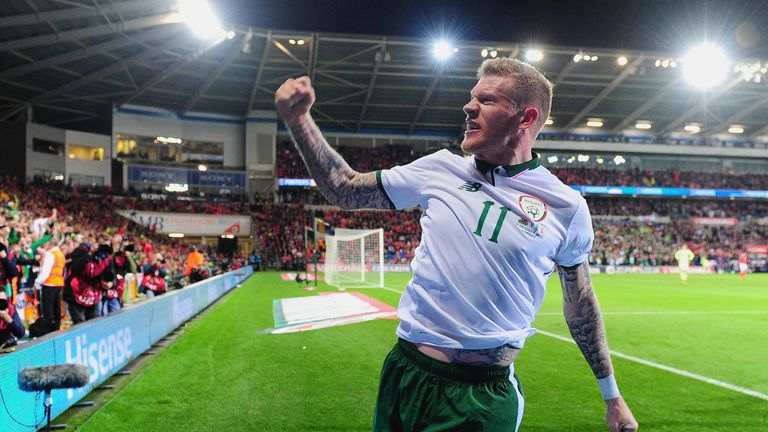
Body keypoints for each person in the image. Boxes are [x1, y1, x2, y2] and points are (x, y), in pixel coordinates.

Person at [275, 57, 638, 431]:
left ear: (525, 119)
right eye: (471, 97)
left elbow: (579, 303)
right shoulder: (440, 168)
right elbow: (345, 189)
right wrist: (298, 121)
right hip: (406, 371)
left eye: (487, 100)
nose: (469, 107)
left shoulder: (566, 207)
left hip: (481, 398)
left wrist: (612, 396)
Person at [34, 242, 66, 330]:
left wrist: (37, 281)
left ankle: (49, 329)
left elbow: (45, 272)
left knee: (48, 309)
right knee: (57, 308)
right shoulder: (60, 254)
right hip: (58, 283)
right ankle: (56, 327)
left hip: (49, 284)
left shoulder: (50, 255)